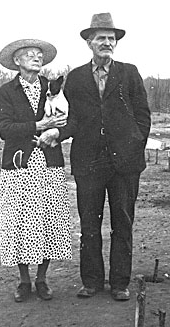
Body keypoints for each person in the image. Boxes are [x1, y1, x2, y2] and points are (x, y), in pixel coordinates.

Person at [39, 13, 151, 301]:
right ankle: (91, 281)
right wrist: (58, 135)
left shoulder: (129, 73)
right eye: (101, 38)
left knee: (123, 224)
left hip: (125, 163)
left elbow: (143, 116)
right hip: (89, 162)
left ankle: (119, 283)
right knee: (89, 224)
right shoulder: (75, 78)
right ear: (89, 42)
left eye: (111, 39)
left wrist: (135, 144)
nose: (107, 43)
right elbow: (72, 120)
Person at [0, 39, 72, 303]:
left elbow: (66, 120)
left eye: (39, 55)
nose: (36, 58)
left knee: (48, 220)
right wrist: (38, 124)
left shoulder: (53, 87)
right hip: (19, 164)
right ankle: (24, 281)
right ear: (17, 61)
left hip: (49, 162)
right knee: (20, 222)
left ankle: (42, 279)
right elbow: (5, 129)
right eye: (29, 54)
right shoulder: (7, 91)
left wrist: (55, 130)